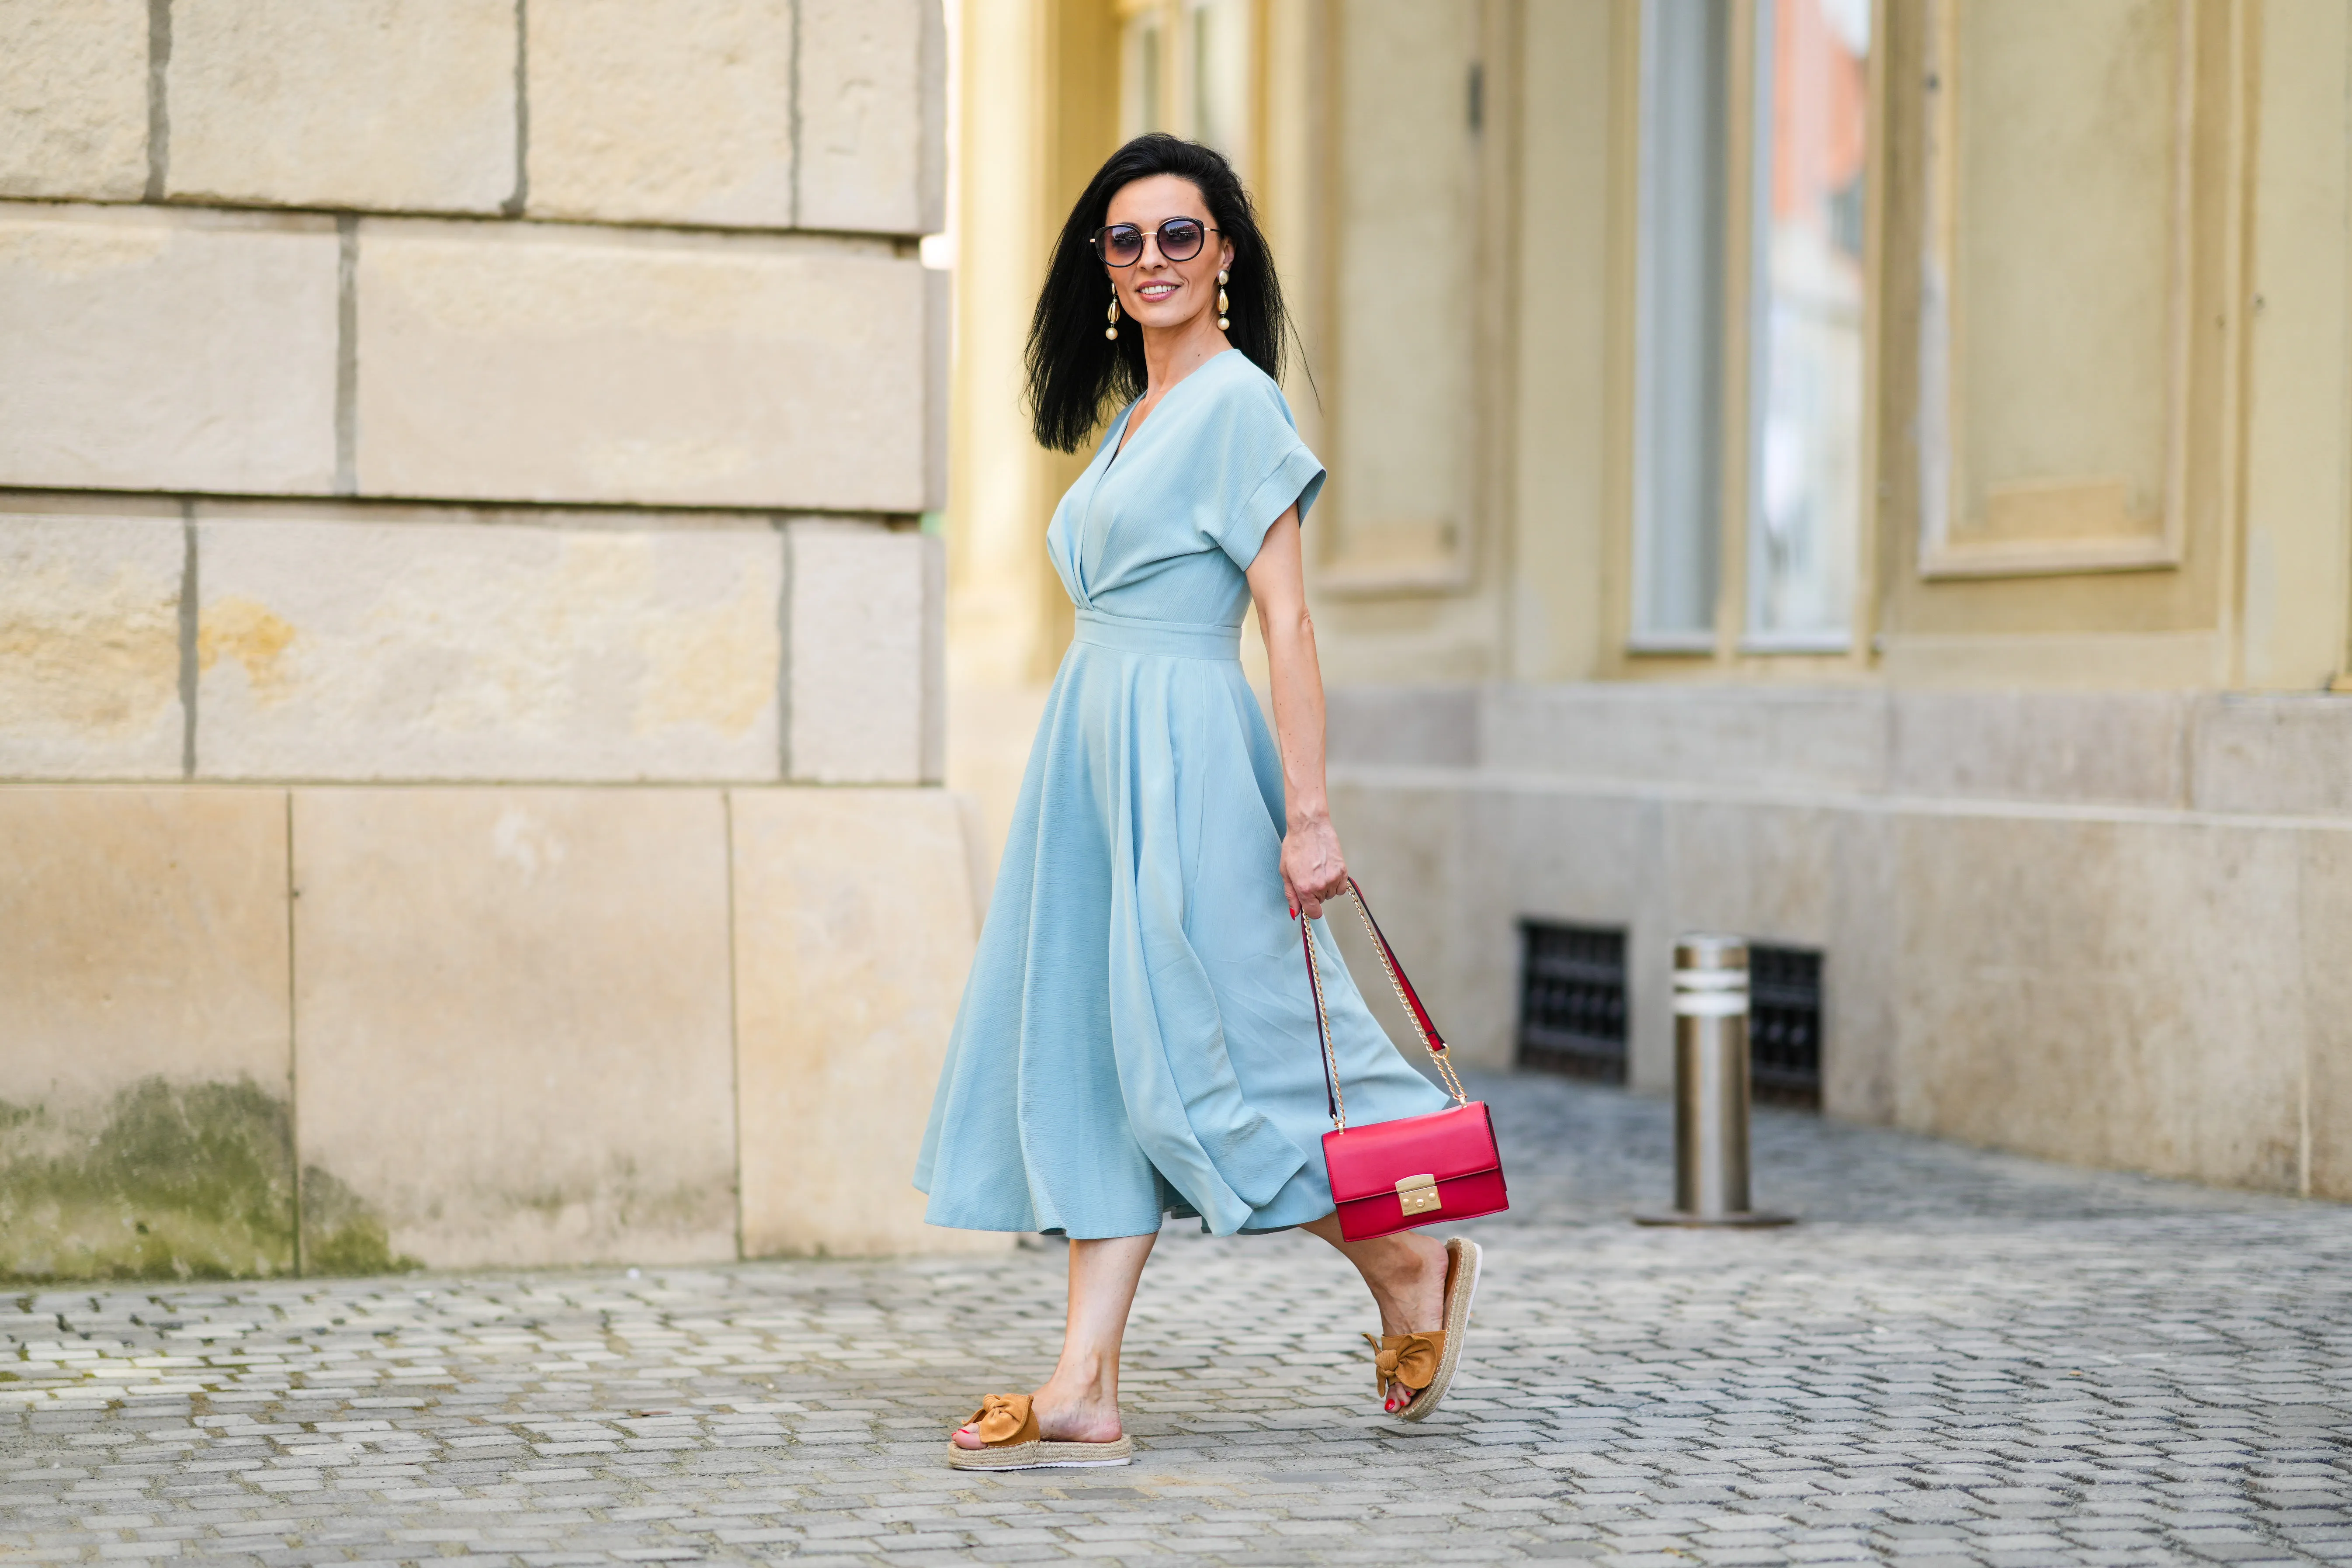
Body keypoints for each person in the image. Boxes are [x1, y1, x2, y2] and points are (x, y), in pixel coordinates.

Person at [915, 134, 1479, 1471]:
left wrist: (1310, 811)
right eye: (1126, 240)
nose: (1153, 260)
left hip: (1186, 758)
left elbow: (1287, 624)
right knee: (1099, 1059)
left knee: (1207, 1066)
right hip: (1094, 763)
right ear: (1102, 270)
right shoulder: (1136, 416)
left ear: (1224, 250)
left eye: (1180, 235)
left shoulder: (1235, 406)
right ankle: (1082, 1381)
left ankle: (1406, 1259)